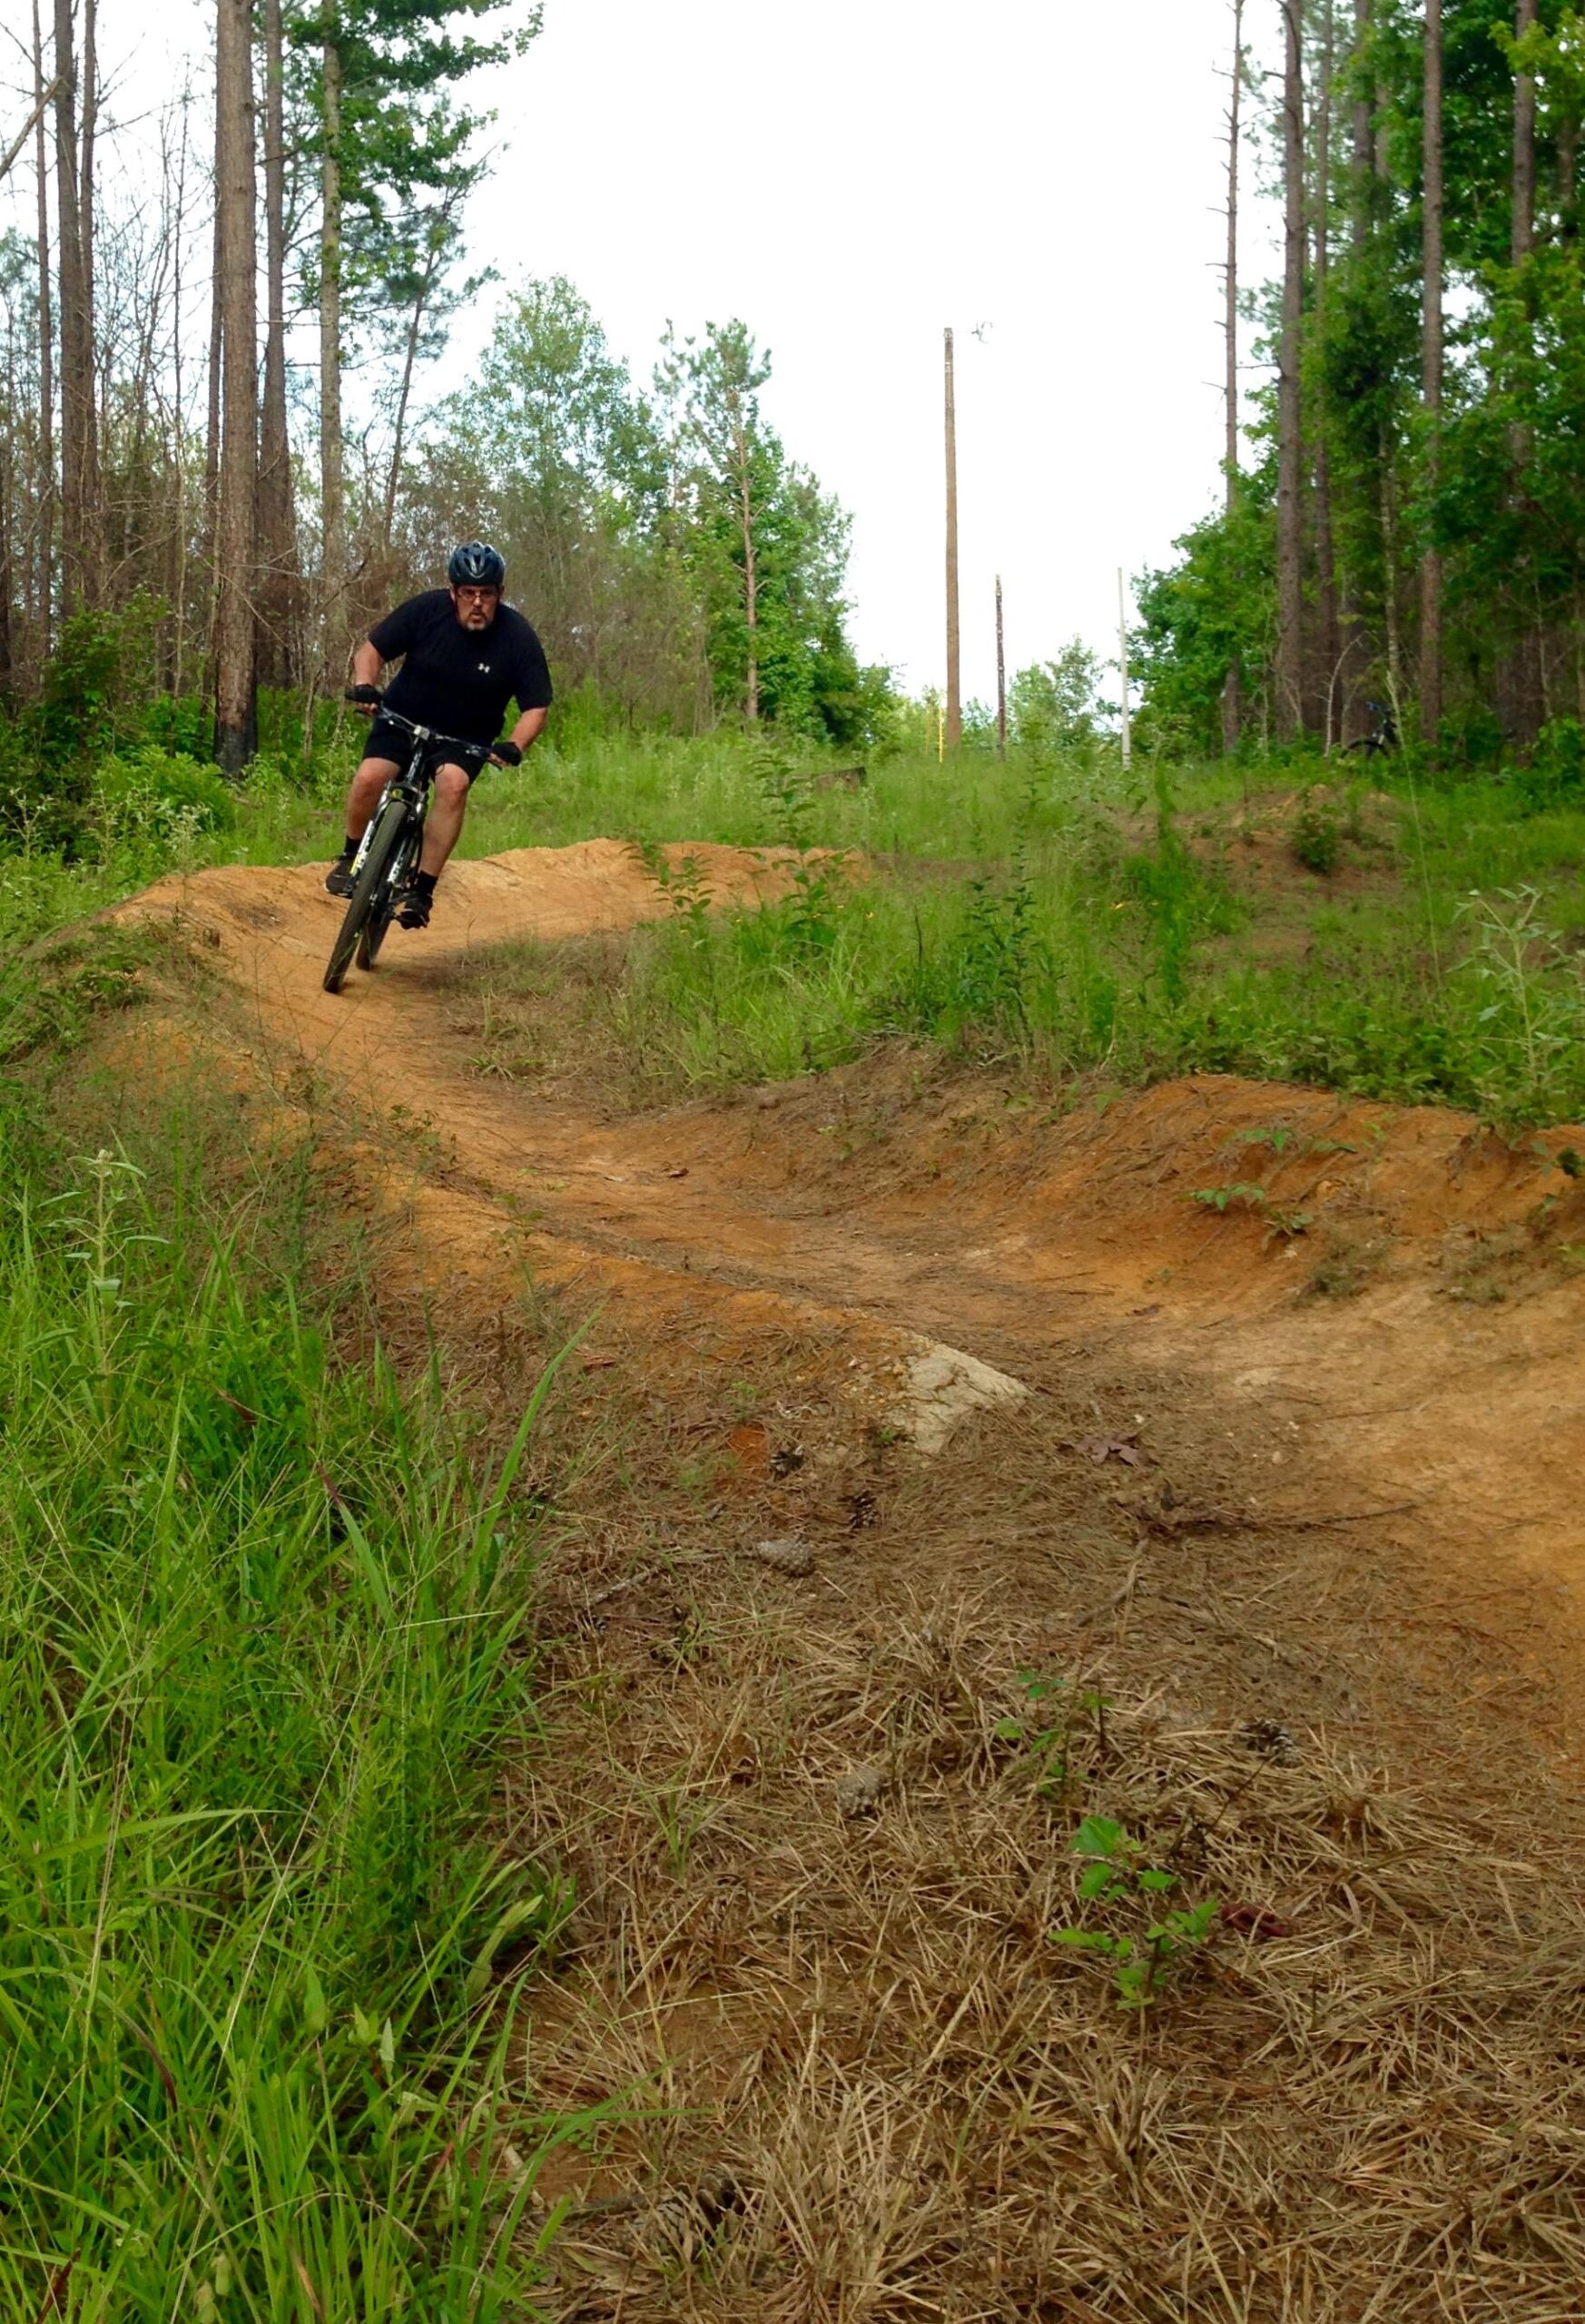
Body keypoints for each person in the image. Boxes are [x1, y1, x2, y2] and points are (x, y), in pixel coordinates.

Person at [326, 542, 553, 928]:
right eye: (468, 593)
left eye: (486, 593)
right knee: (370, 777)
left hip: (465, 736)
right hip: (402, 717)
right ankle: (351, 856)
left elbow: (536, 707)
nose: (477, 602)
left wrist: (515, 744)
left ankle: (422, 890)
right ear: (453, 592)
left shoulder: (517, 636)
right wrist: (365, 684)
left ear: (500, 594)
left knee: (452, 785)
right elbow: (371, 650)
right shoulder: (427, 611)